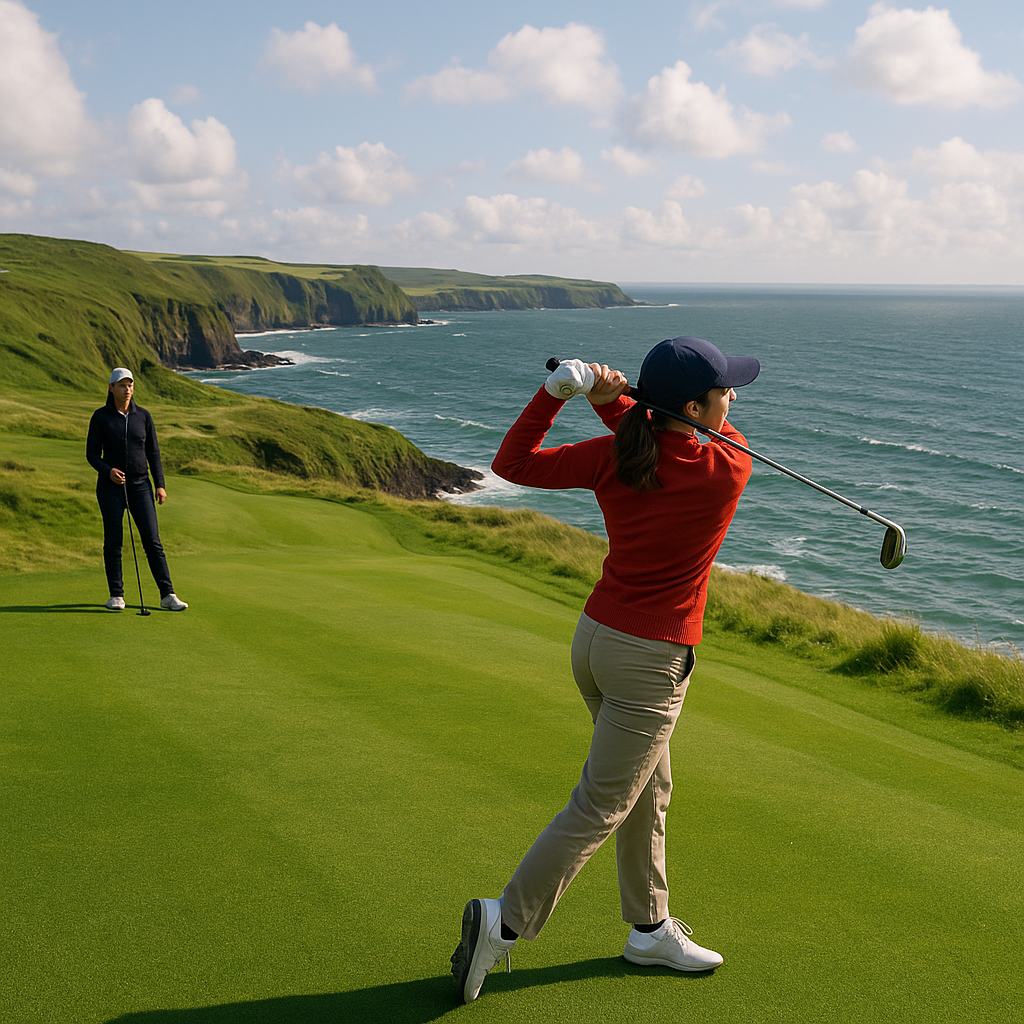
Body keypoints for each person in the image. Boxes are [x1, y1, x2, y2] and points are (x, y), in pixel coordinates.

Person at [450, 337, 759, 1003]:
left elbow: (513, 463)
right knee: (601, 804)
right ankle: (503, 923)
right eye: (724, 390)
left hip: (594, 642)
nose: (732, 397)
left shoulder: (619, 455)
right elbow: (711, 435)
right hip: (650, 662)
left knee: (652, 786)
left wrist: (564, 395)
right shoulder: (726, 468)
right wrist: (609, 398)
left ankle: (648, 928)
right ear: (693, 406)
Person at [86, 367, 188, 612]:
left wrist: (160, 485)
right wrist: (108, 470)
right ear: (111, 388)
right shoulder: (101, 417)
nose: (127, 389)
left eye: (130, 384)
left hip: (141, 485)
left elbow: (153, 452)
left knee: (152, 540)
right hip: (111, 487)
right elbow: (91, 454)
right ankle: (116, 595)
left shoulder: (143, 416)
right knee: (114, 540)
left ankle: (167, 594)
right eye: (122, 385)